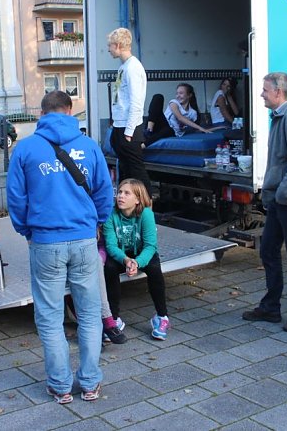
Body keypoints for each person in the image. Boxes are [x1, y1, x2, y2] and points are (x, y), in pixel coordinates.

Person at [6, 90, 114, 404]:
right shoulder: (88, 146)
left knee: (50, 317)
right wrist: (97, 223)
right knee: (91, 314)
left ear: (42, 113)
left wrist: (26, 228)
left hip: (45, 242)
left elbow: (16, 197)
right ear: (69, 111)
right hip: (83, 240)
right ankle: (91, 383)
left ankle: (60, 385)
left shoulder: (25, 149)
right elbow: (104, 191)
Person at [243, 72, 287, 332]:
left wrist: (283, 193)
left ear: (279, 92)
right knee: (268, 251)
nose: (261, 94)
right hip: (279, 200)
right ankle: (271, 308)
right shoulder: (281, 117)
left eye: (264, 90)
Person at [103, 178, 171, 340]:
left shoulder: (146, 214)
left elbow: (150, 245)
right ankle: (114, 319)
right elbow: (111, 246)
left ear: (138, 199)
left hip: (142, 253)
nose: (121, 196)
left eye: (127, 193)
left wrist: (138, 262)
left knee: (154, 268)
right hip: (121, 254)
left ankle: (162, 317)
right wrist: (126, 260)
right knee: (109, 268)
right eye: (119, 192)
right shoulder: (110, 215)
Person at [108, 27, 151, 193]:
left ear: (118, 45)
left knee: (136, 171)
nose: (109, 49)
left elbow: (136, 102)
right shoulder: (124, 67)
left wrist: (129, 132)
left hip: (129, 128)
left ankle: (146, 210)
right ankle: (130, 210)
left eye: (110, 45)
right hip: (120, 126)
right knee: (126, 172)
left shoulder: (133, 68)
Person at [144, 84, 212, 146]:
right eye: (177, 93)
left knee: (169, 130)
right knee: (158, 97)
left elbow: (194, 128)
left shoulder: (193, 113)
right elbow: (180, 118)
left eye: (181, 93)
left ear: (189, 95)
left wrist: (207, 129)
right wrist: (201, 128)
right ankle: (149, 130)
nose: (178, 96)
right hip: (159, 125)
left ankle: (143, 145)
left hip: (170, 132)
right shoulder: (174, 103)